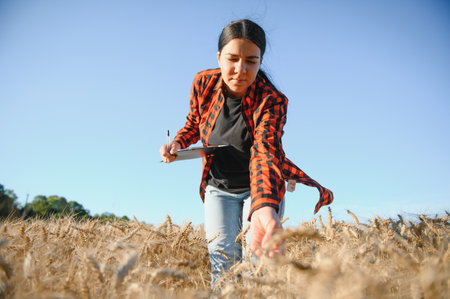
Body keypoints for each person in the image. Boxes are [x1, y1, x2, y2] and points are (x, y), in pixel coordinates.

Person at [160, 19, 333, 286]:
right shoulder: (202, 83)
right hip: (218, 187)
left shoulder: (272, 100)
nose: (240, 69)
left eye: (251, 61)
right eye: (232, 59)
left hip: (258, 187)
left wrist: (264, 206)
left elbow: (265, 151)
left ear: (260, 62)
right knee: (222, 269)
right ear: (219, 58)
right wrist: (178, 145)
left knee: (257, 270)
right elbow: (194, 123)